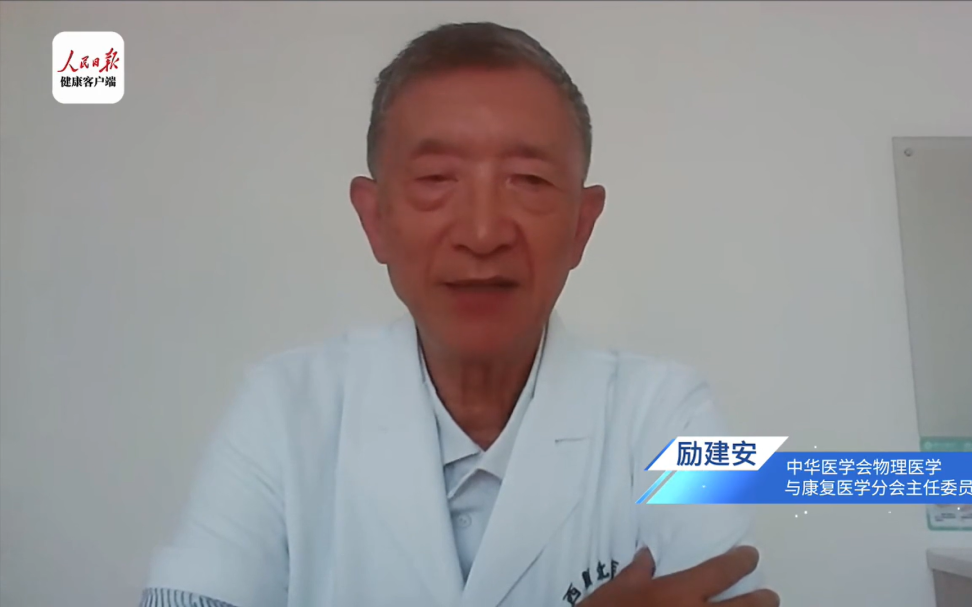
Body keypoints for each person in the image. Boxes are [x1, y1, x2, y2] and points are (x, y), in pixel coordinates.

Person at [140, 21, 780, 607]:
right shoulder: (281, 409)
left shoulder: (675, 412)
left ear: (582, 226)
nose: (482, 233)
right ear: (375, 219)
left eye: (528, 180)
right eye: (436, 180)